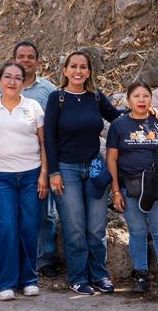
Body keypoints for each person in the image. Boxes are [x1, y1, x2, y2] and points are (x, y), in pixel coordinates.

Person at [44, 50, 121, 295]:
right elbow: (49, 137)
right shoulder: (57, 99)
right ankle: (78, 277)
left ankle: (99, 275)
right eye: (74, 66)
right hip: (66, 171)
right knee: (75, 227)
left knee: (96, 228)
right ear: (65, 70)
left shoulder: (96, 97)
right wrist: (53, 172)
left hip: (95, 168)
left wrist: (146, 111)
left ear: (89, 72)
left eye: (84, 67)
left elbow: (117, 118)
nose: (79, 71)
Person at [0, 61, 49, 300]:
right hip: (2, 177)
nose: (12, 82)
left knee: (29, 226)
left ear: (23, 83)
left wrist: (44, 173)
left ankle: (28, 279)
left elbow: (44, 142)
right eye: (8, 76)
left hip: (31, 174)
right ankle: (5, 283)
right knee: (7, 226)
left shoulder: (34, 107)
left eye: (18, 78)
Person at [107, 82, 158, 296]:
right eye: (136, 96)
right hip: (129, 187)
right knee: (137, 232)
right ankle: (141, 276)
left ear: (151, 99)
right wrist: (116, 191)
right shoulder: (119, 126)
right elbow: (111, 158)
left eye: (146, 96)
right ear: (128, 100)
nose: (141, 100)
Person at [1, 40, 62, 278]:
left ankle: (46, 258)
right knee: (13, 215)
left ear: (37, 62)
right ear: (14, 59)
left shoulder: (47, 90)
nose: (25, 60)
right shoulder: (1, 88)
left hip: (40, 158)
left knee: (44, 212)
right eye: (21, 56)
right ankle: (19, 258)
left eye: (30, 57)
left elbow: (54, 125)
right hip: (8, 163)